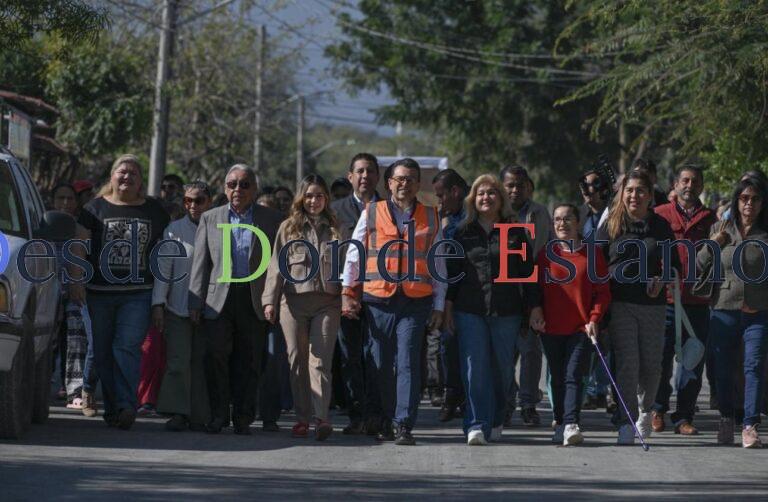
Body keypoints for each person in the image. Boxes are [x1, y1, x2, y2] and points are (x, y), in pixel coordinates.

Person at [341, 158, 445, 446]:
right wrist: (348, 293)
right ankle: (382, 419)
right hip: (377, 300)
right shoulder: (372, 212)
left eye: (411, 179)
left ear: (418, 184)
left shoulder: (431, 216)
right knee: (379, 363)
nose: (405, 184)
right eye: (399, 178)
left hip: (415, 302)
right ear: (389, 183)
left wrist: (439, 305)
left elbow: (438, 264)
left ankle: (403, 424)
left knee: (409, 362)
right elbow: (354, 254)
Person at [445, 174, 542, 445]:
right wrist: (448, 307)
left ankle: (497, 417)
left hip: (506, 311)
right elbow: (454, 274)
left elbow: (529, 274)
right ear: (472, 200)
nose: (485, 198)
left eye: (491, 193)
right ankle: (475, 423)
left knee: (501, 370)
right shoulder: (462, 232)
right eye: (480, 194)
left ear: (500, 199)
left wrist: (534, 307)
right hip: (469, 309)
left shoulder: (516, 232)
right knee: (474, 368)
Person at [188, 164, 283, 435]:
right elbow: (201, 263)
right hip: (218, 298)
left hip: (254, 297)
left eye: (244, 184)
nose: (237, 190)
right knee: (215, 356)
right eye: (232, 184)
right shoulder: (210, 217)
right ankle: (219, 415)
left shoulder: (271, 219)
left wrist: (273, 300)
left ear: (253, 188)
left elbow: (277, 263)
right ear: (224, 188)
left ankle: (243, 416)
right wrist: (195, 303)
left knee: (250, 360)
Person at [78, 154, 170, 429]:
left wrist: (159, 302)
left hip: (138, 293)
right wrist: (75, 282)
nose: (127, 177)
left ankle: (125, 405)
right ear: (112, 176)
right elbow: (78, 248)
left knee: (126, 347)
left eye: (133, 173)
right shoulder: (93, 209)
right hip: (98, 293)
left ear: (141, 181)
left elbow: (163, 256)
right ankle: (113, 408)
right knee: (103, 352)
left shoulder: (154, 211)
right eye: (122, 171)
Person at [598, 170, 678, 444]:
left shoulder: (661, 227)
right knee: (628, 365)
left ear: (649, 194)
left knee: (652, 366)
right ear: (623, 193)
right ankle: (627, 419)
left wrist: (661, 277)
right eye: (629, 190)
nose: (634, 195)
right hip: (620, 304)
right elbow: (595, 263)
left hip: (652, 306)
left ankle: (646, 409)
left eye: (640, 190)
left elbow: (674, 265)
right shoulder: (610, 225)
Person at [262, 174, 341, 440]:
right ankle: (302, 418)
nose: (314, 200)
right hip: (293, 302)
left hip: (327, 302)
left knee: (320, 360)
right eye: (309, 195)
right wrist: (269, 301)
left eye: (319, 195)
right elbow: (275, 266)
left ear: (326, 199)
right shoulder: (288, 228)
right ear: (301, 198)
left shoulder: (336, 228)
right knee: (297, 361)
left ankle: (322, 418)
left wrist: (351, 295)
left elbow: (351, 265)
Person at [697, 176, 768, 448]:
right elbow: (700, 263)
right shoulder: (720, 227)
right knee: (722, 370)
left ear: (763, 203)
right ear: (737, 201)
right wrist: (715, 241)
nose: (749, 204)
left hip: (758, 311)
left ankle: (750, 424)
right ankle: (726, 417)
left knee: (754, 367)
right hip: (724, 309)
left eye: (755, 199)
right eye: (744, 198)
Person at [537, 204, 611, 445]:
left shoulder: (593, 254)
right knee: (556, 377)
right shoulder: (545, 255)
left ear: (578, 222)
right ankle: (559, 421)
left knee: (573, 375)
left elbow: (602, 292)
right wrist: (534, 311)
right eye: (557, 219)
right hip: (551, 327)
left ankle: (571, 423)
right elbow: (535, 290)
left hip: (581, 327)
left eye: (568, 219)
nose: (562, 224)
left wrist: (594, 318)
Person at [651, 166, 716, 435]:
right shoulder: (659, 215)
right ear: (675, 185)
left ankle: (684, 417)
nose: (690, 185)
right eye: (685, 180)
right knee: (660, 359)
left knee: (692, 362)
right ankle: (657, 409)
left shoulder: (712, 220)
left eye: (695, 181)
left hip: (697, 301)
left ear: (701, 187)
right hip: (664, 299)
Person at [152, 181, 213, 432]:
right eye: (188, 200)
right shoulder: (173, 230)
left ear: (209, 201)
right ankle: (177, 412)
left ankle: (200, 415)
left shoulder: (221, 228)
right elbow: (164, 270)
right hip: (177, 308)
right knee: (178, 360)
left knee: (201, 362)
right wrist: (158, 304)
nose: (193, 206)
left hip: (211, 311)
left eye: (198, 200)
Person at [331, 153, 382, 435]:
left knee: (377, 356)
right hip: (346, 294)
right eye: (359, 171)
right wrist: (342, 293)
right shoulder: (335, 210)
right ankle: (356, 415)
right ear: (350, 176)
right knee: (350, 356)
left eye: (370, 171)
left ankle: (377, 414)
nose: (365, 176)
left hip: (381, 294)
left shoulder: (389, 209)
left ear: (378, 176)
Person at [500, 165, 551, 427]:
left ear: (528, 186)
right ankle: (507, 401)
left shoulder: (540, 213)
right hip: (503, 293)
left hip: (533, 290)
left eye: (520, 185)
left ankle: (529, 404)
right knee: (505, 353)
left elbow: (547, 249)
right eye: (510, 184)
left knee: (531, 351)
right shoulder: (495, 213)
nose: (515, 189)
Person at [431, 169, 468, 422]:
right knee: (447, 347)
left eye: (441, 195)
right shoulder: (443, 218)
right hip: (448, 292)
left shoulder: (471, 216)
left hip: (471, 293)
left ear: (455, 191)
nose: (440, 201)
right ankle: (451, 395)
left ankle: (465, 397)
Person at [577, 168, 614, 411]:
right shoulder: (578, 216)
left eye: (594, 185)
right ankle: (589, 390)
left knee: (607, 340)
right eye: (585, 187)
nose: (589, 192)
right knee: (587, 338)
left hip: (608, 282)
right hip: (582, 284)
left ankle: (604, 390)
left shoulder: (612, 215)